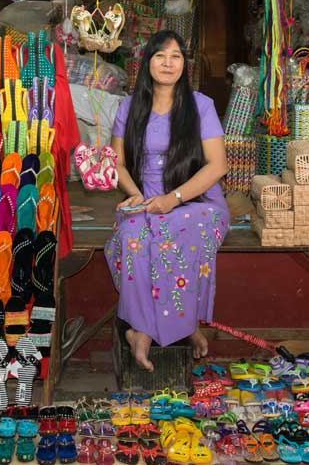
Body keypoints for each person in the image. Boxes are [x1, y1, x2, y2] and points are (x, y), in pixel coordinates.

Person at [105, 30, 230, 372]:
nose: (168, 63)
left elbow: (217, 166)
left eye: (176, 56)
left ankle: (163, 326)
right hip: (147, 201)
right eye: (160, 55)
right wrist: (135, 195)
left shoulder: (201, 106)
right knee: (133, 238)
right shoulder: (129, 107)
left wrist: (173, 199)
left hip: (196, 201)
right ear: (147, 62)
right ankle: (166, 327)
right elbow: (116, 163)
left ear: (184, 64)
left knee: (182, 233)